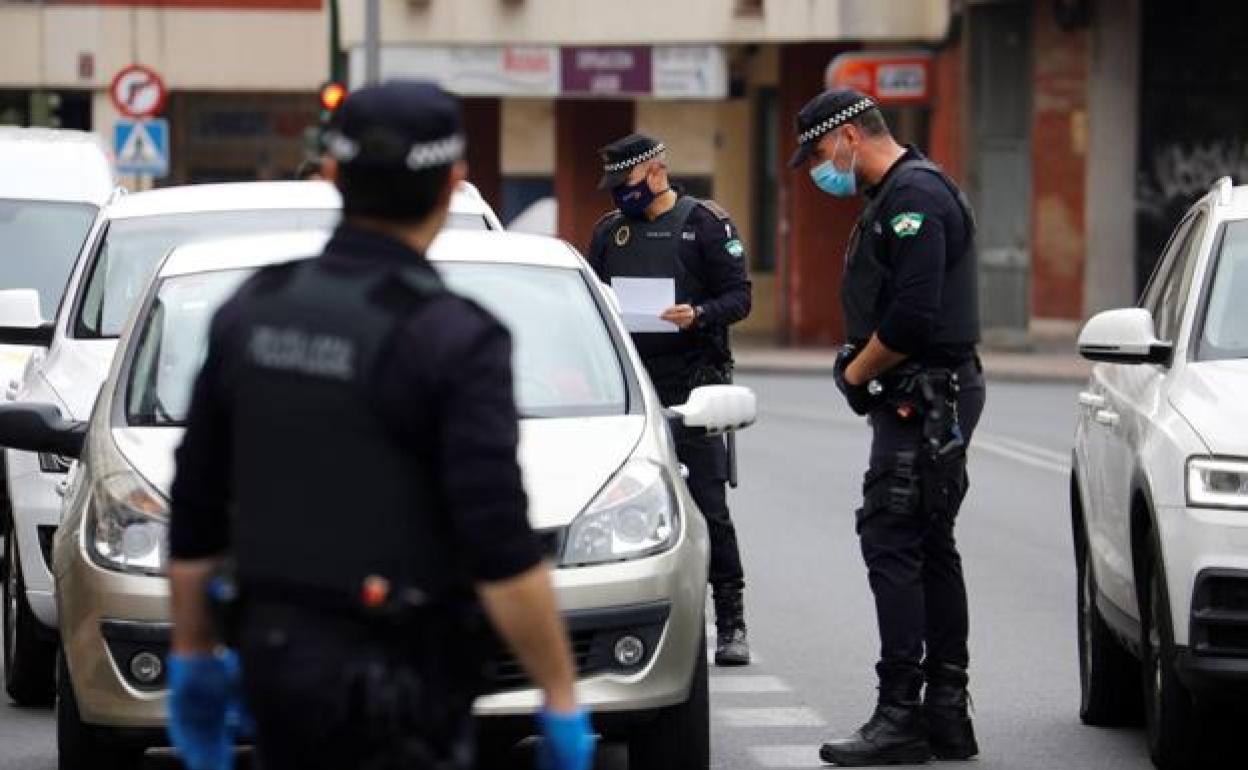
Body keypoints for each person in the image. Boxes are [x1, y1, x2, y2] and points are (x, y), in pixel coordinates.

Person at [165, 80, 594, 770]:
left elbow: (196, 505)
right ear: (454, 183)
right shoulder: (454, 337)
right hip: (401, 680)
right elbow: (499, 543)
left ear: (333, 174)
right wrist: (560, 693)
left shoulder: (254, 308)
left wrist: (190, 657)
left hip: (273, 661)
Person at [789, 89, 986, 767]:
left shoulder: (913, 199)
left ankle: (903, 715)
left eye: (818, 153)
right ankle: (946, 716)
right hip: (925, 390)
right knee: (929, 544)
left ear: (848, 136)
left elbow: (912, 319)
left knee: (893, 539)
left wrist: (853, 372)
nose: (820, 170)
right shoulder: (894, 193)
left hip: (927, 393)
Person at [585, 133, 753, 666]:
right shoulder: (610, 233)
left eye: (627, 183)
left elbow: (740, 297)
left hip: (694, 383)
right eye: (613, 186)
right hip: (633, 387)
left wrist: (698, 314)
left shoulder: (704, 223)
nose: (620, 195)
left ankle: (731, 623)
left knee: (708, 505)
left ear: (656, 171)